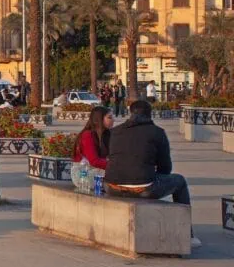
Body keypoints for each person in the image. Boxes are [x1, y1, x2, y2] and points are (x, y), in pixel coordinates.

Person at [105, 100, 200, 248]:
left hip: (111, 186)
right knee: (179, 181)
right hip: (143, 188)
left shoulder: (116, 131)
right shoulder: (157, 132)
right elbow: (165, 167)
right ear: (150, 115)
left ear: (130, 112)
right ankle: (188, 234)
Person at [71, 105, 113, 189]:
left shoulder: (107, 134)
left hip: (98, 170)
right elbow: (94, 161)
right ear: (99, 119)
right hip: (84, 174)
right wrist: (115, 165)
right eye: (109, 117)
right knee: (118, 173)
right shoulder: (88, 135)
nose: (113, 120)